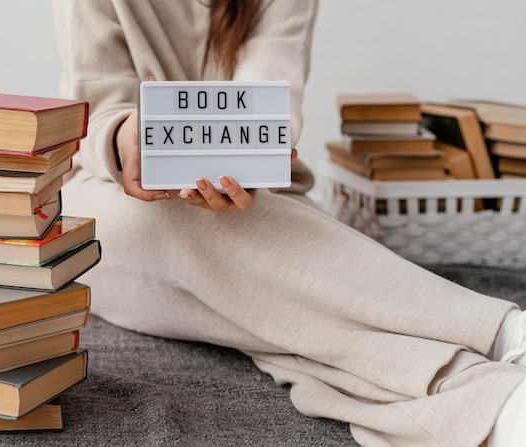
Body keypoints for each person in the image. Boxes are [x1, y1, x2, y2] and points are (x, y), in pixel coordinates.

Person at [53, 1, 526, 445]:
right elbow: (96, 103)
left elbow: (270, 89)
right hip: (110, 203)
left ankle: (490, 400)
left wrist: (248, 153)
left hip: (259, 204)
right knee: (176, 218)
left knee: (277, 308)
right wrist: (124, 138)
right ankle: (500, 331)